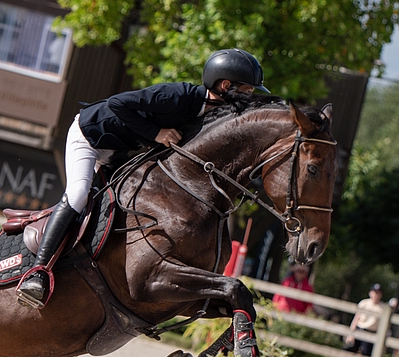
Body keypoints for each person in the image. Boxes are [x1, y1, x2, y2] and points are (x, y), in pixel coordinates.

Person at [16, 48, 269, 308]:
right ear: (225, 86)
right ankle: (38, 271)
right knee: (79, 194)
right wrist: (157, 132)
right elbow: (117, 104)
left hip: (121, 151)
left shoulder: (213, 115)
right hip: (91, 136)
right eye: (247, 91)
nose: (249, 98)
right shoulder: (177, 95)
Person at [345, 283, 384, 357]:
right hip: (360, 329)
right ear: (370, 293)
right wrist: (351, 334)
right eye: (375, 292)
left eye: (378, 293)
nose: (376, 295)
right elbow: (356, 318)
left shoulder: (382, 308)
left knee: (366, 354)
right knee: (350, 349)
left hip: (371, 332)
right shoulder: (364, 303)